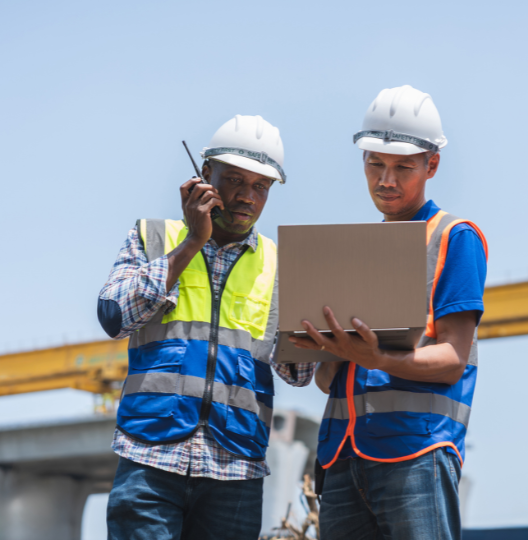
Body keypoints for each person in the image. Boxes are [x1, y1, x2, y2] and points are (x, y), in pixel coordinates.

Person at [98, 115, 315, 540]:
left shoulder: (280, 265)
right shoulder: (152, 239)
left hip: (234, 472)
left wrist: (324, 321)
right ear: (204, 177)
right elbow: (114, 316)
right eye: (235, 180)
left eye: (261, 187)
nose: (247, 197)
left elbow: (300, 374)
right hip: (150, 460)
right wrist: (192, 242)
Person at [290, 86, 488, 540]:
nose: (386, 179)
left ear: (431, 165)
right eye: (375, 163)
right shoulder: (354, 251)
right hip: (342, 457)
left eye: (402, 167)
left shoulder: (454, 238)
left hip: (416, 450)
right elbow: (328, 382)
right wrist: (331, 349)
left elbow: (453, 359)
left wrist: (377, 359)